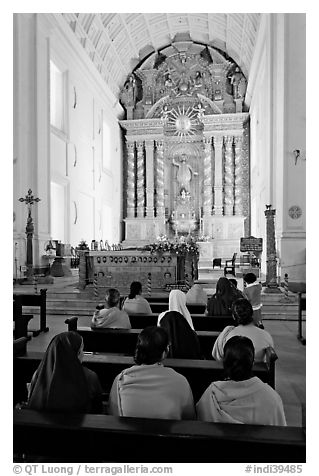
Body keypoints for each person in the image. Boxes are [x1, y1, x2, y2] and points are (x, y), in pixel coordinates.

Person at [108, 326, 195, 420]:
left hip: (129, 433)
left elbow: (113, 414)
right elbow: (189, 418)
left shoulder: (120, 379)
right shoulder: (180, 381)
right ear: (164, 352)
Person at [197, 336, 286, 425]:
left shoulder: (211, 393)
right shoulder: (272, 399)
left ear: (225, 363)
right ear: (252, 362)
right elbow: (280, 432)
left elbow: (198, 421)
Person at [27, 331, 103, 413]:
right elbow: (97, 409)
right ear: (76, 354)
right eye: (82, 350)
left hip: (39, 424)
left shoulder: (39, 374)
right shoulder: (90, 377)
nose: (83, 354)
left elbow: (32, 402)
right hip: (80, 424)